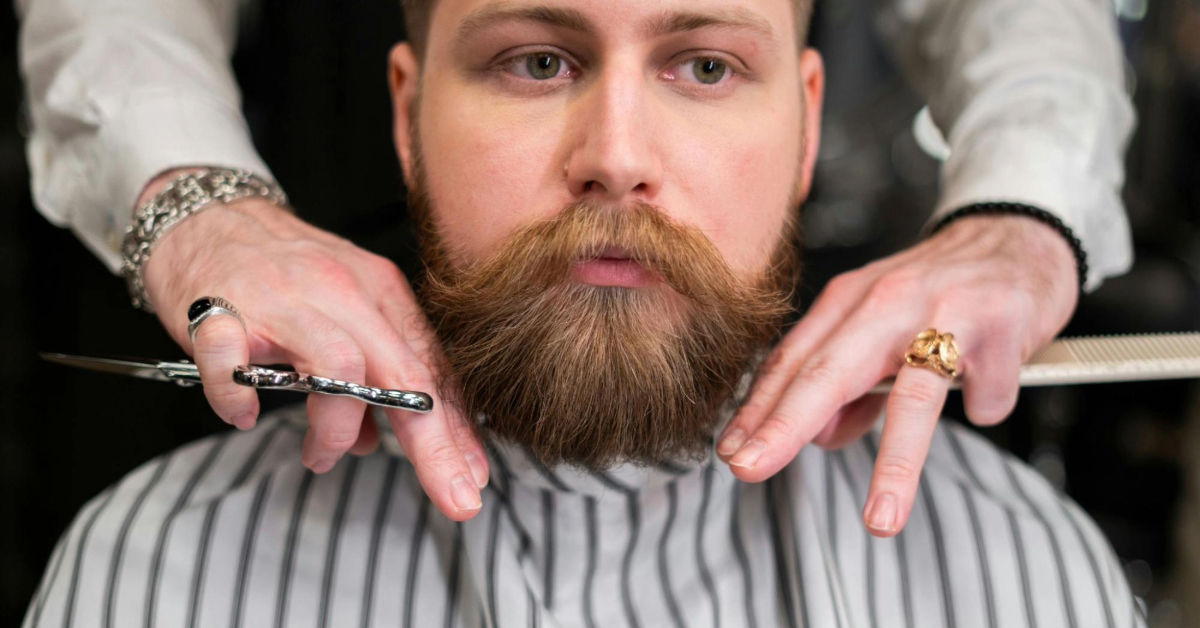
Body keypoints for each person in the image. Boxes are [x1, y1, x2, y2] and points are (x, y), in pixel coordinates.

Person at [22, 0, 1145, 626]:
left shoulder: (1022, 572)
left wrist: (1021, 208)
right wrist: (196, 206)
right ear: (407, 120)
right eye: (537, 60)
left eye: (704, 66)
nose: (615, 158)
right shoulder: (157, 571)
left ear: (805, 132)